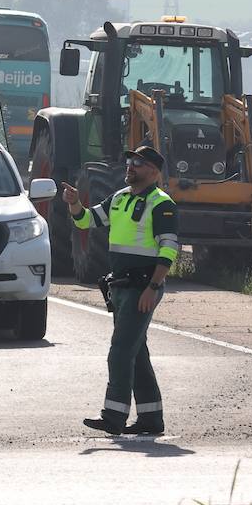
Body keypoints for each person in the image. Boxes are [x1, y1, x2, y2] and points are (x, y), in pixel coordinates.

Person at [64, 145, 179, 436]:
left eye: (138, 163)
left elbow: (169, 247)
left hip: (143, 287)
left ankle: (113, 416)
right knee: (136, 352)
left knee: (120, 353)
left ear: (153, 171)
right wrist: (75, 204)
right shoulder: (119, 198)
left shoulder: (161, 203)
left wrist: (153, 287)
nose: (130, 166)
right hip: (121, 287)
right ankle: (151, 419)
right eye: (129, 161)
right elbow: (87, 220)